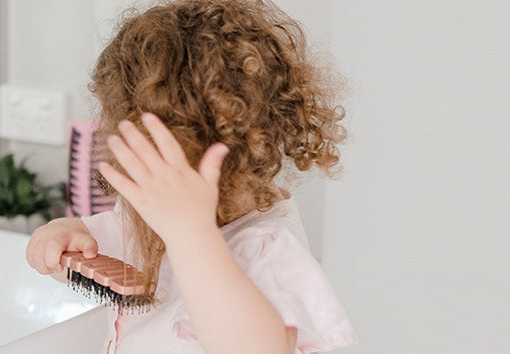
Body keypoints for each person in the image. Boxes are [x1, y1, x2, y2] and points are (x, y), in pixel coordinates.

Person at [25, 1, 355, 353]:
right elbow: (99, 255)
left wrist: (191, 234)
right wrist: (69, 233)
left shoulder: (267, 251)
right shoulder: (149, 219)